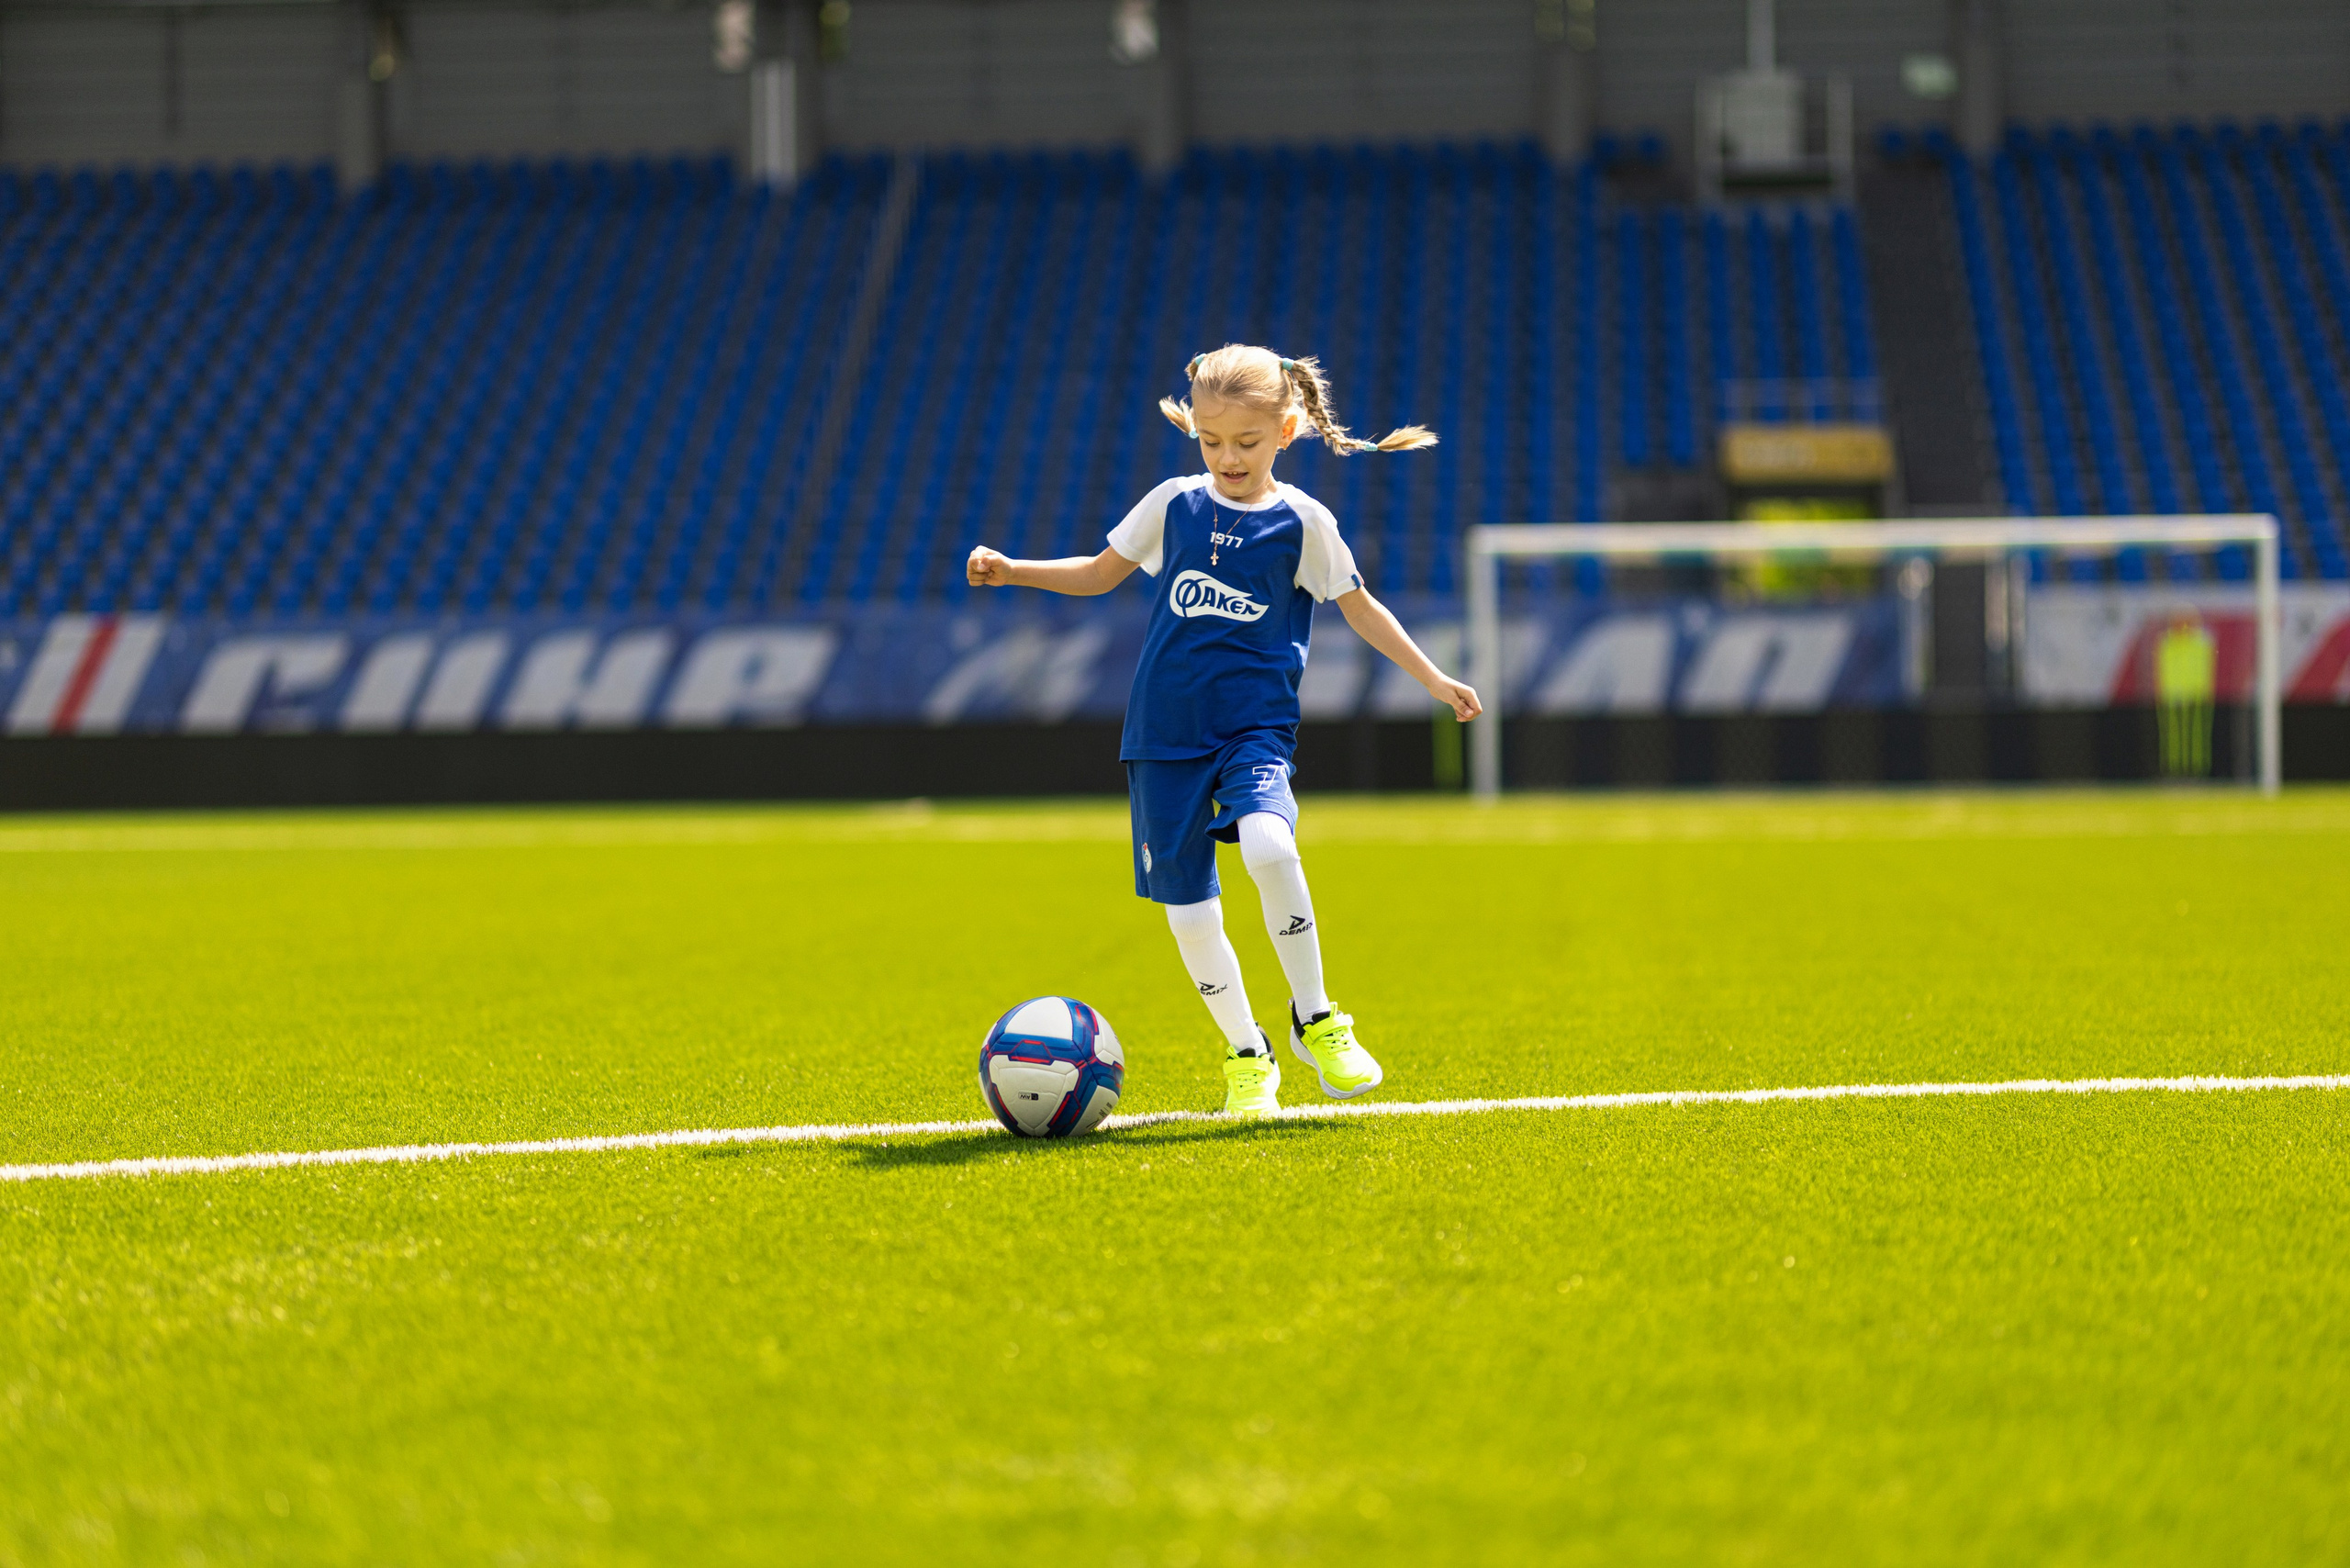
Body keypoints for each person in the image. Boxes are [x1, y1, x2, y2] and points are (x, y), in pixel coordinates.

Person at [966, 343, 1481, 1115]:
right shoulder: (1173, 504)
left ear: (1289, 428)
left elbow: (1358, 606)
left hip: (1252, 731)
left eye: (1246, 441)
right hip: (1162, 735)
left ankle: (1316, 1017)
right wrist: (1015, 568)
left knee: (1272, 845)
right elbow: (1101, 573)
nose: (1227, 457)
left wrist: (1434, 679)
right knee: (1191, 908)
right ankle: (1248, 1054)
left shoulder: (1304, 522)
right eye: (1211, 441)